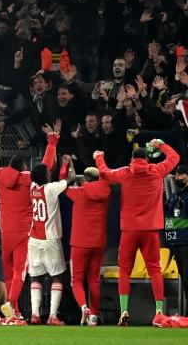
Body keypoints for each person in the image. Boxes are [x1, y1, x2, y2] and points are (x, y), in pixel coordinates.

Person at [0, 123, 58, 322]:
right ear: (24, 167)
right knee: (20, 271)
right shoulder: (29, 179)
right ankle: (11, 305)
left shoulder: (0, 175)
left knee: (9, 271)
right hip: (24, 234)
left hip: (6, 233)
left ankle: (16, 310)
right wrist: (52, 142)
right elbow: (45, 166)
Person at [95, 138, 181, 326]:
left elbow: (104, 172)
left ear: (132, 160)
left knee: (124, 270)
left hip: (129, 230)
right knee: (155, 270)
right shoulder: (157, 171)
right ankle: (158, 311)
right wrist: (160, 145)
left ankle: (124, 310)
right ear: (147, 160)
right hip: (151, 230)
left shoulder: (125, 173)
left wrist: (99, 157)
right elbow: (175, 157)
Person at [61, 155, 110, 326]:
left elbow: (62, 183)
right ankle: (94, 315)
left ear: (86, 179)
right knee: (94, 279)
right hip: (98, 243)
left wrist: (66, 165)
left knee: (76, 280)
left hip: (80, 243)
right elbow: (105, 177)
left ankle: (84, 308)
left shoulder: (79, 193)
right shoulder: (106, 192)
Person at [26, 162, 69, 325]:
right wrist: (65, 164)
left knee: (36, 278)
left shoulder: (32, 188)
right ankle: (52, 316)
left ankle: (35, 314)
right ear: (45, 177)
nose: (50, 174)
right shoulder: (51, 189)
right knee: (57, 277)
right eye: (48, 172)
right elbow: (68, 179)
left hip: (34, 240)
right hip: (50, 239)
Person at [165, 166, 188, 302]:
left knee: (187, 277)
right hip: (175, 242)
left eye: (181, 175)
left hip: (186, 242)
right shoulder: (173, 197)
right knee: (184, 278)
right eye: (176, 175)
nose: (177, 178)